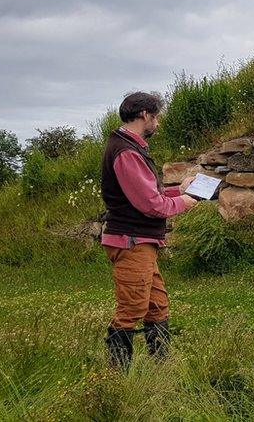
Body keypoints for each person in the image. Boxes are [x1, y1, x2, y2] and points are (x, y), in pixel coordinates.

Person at [100, 92, 198, 371]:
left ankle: (161, 369)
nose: (158, 122)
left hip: (140, 241)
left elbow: (144, 193)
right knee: (131, 308)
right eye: (156, 116)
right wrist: (183, 203)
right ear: (144, 114)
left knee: (156, 305)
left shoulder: (128, 146)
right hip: (131, 241)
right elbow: (150, 204)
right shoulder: (126, 152)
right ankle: (116, 380)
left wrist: (179, 190)